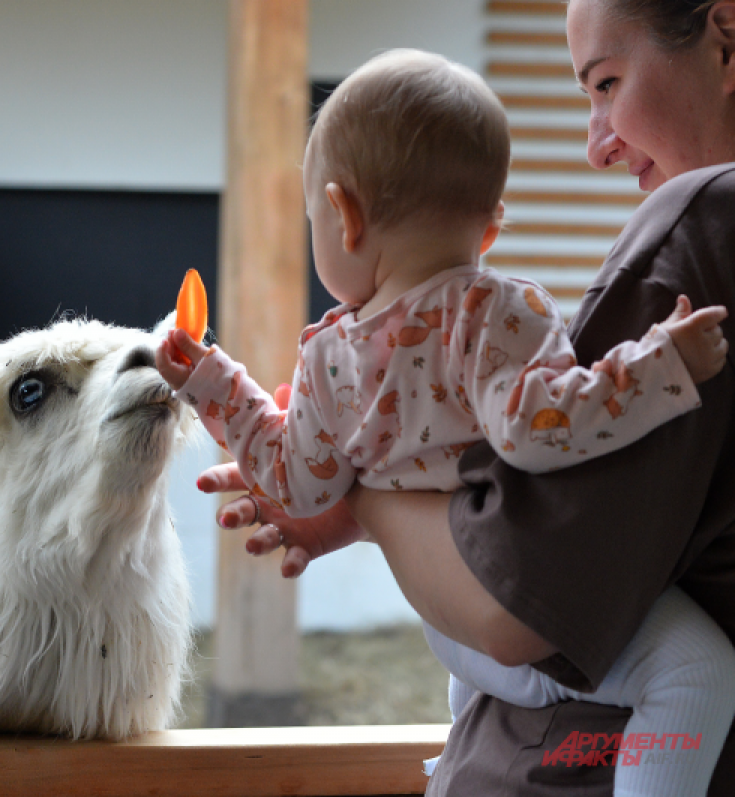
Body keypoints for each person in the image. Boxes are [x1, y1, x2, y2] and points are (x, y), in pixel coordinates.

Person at [157, 46, 730, 797]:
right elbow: (544, 426)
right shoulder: (499, 314)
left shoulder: (330, 355)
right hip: (499, 610)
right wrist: (663, 366)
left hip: (451, 632)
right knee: (696, 669)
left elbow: (292, 479)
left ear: (343, 215)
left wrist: (212, 379)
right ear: (491, 226)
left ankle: (452, 764)